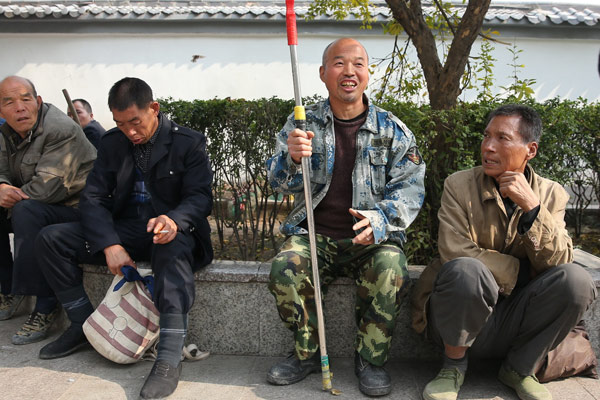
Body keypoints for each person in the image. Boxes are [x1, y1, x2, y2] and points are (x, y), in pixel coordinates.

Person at [265, 38, 426, 397]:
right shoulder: (302, 123)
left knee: (391, 266)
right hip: (314, 236)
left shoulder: (393, 130)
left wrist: (380, 222)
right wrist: (291, 159)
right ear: (323, 74)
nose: (349, 71)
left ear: (368, 74)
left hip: (369, 240)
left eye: (358, 64)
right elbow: (276, 183)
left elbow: (411, 190)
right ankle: (307, 353)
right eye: (338, 64)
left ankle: (370, 359)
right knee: (285, 265)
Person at [35, 77, 213, 400]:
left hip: (171, 229)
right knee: (51, 239)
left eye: (135, 122)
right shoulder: (113, 143)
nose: (130, 132)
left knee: (171, 252)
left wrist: (174, 219)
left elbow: (200, 197)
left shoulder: (188, 142)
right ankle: (80, 324)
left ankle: (169, 358)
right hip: (126, 228)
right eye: (120, 123)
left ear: (153, 109)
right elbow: (93, 198)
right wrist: (110, 244)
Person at [412, 104, 597, 400]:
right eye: (486, 136)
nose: (488, 146)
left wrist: (533, 208)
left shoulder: (553, 194)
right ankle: (452, 367)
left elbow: (560, 261)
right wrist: (522, 272)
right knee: (464, 269)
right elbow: (453, 249)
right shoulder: (459, 185)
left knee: (576, 280)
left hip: (520, 323)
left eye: (502, 138)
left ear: (530, 149)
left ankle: (520, 368)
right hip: (460, 319)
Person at [0, 76, 96, 344]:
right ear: (0, 111)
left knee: (26, 212)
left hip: (78, 209)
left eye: (25, 99)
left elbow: (48, 189)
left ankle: (45, 306)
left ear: (38, 101)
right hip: (37, 204)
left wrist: (9, 195)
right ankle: (7, 290)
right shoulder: (5, 132)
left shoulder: (60, 129)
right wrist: (1, 187)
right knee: (21, 209)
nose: (19, 107)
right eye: (9, 102)